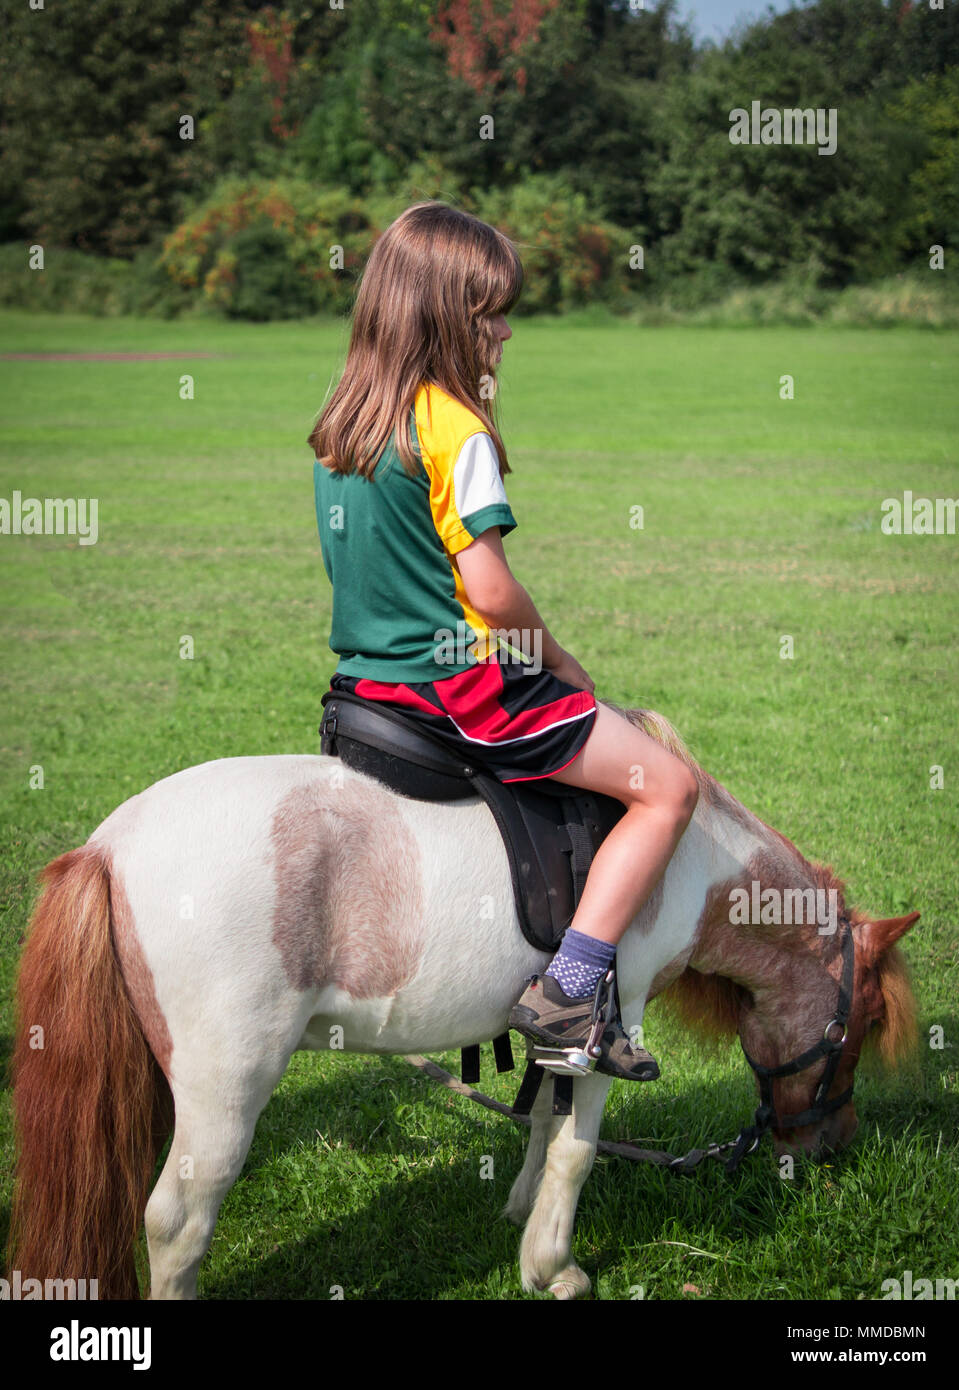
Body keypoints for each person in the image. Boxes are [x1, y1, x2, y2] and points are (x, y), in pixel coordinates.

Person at [308, 201, 698, 1081]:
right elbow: (487, 590)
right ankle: (567, 992)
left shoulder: (345, 424)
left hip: (367, 689)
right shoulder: (457, 426)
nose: (508, 331)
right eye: (491, 312)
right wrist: (556, 660)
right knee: (668, 788)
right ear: (446, 315)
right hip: (461, 691)